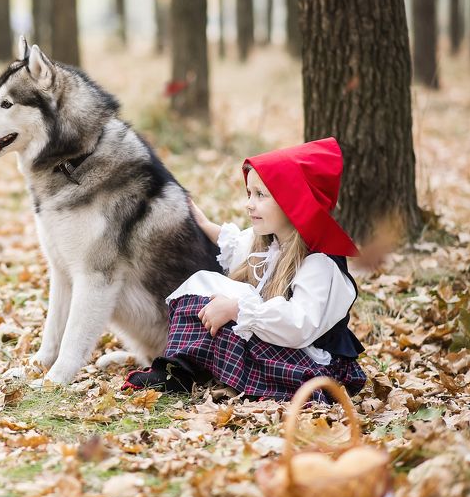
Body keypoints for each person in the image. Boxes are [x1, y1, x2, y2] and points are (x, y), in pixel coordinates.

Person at [122, 137, 367, 401]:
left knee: (228, 313)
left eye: (260, 195)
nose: (249, 204)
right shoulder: (270, 242)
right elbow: (238, 243)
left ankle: (241, 381)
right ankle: (178, 371)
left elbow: (299, 325)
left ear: (293, 202)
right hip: (280, 346)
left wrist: (237, 309)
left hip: (309, 365)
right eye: (249, 194)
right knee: (201, 294)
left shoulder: (319, 263)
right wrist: (203, 223)